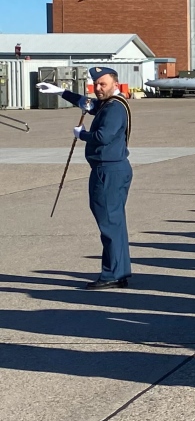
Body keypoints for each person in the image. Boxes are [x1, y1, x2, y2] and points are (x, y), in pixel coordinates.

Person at [36, 67, 133, 289]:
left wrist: (82, 135)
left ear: (115, 84)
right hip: (112, 169)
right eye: (96, 84)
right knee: (114, 223)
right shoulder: (110, 103)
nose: (98, 88)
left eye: (103, 84)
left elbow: (103, 136)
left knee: (109, 223)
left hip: (108, 171)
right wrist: (60, 91)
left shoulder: (114, 108)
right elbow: (87, 104)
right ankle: (119, 271)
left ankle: (112, 274)